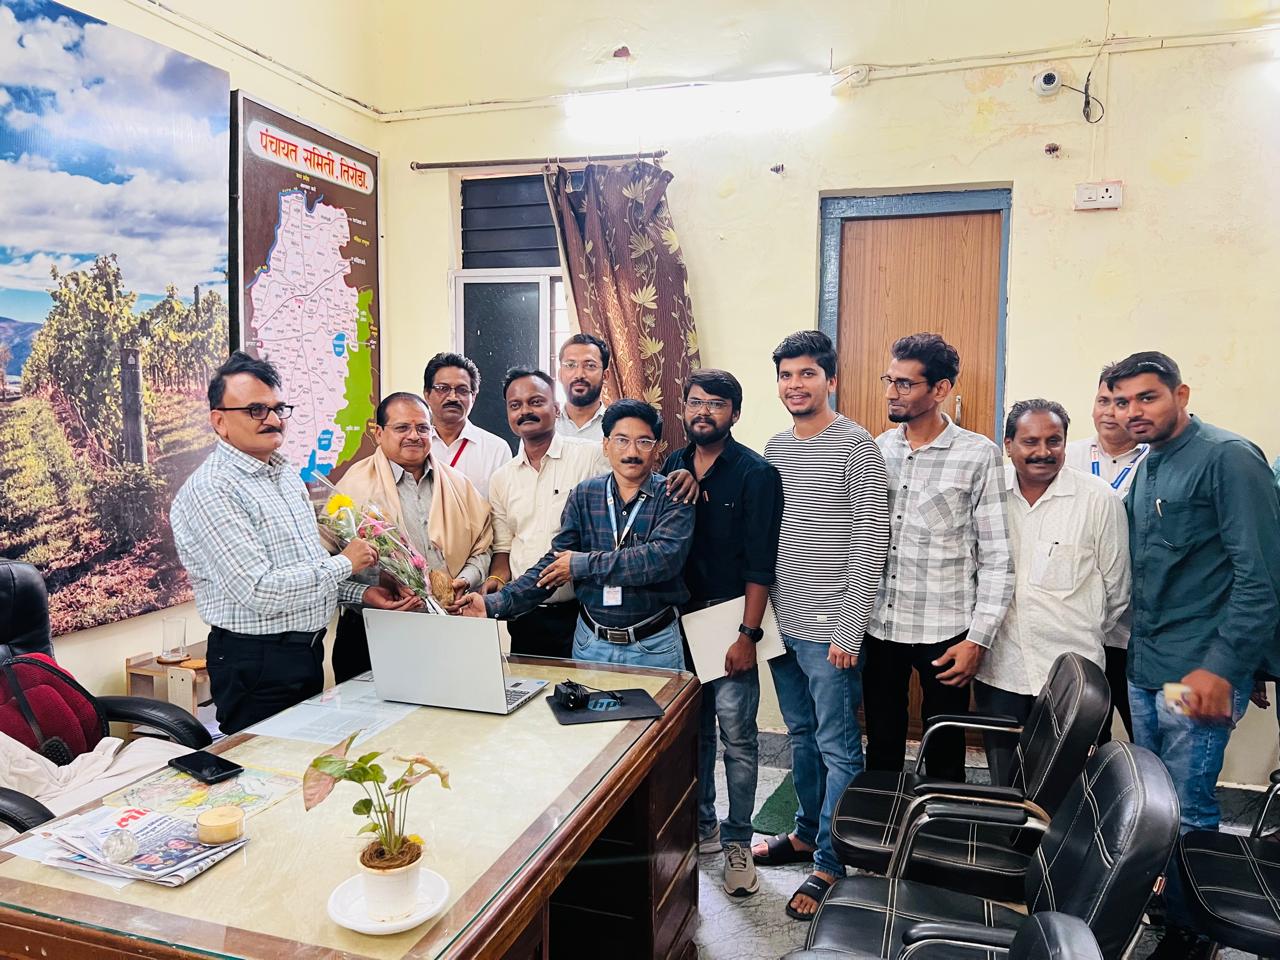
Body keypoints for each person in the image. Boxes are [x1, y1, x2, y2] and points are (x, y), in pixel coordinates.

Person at [1107, 350, 1280, 960]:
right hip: (1147, 666)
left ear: (1181, 395)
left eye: (1146, 397)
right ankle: (1169, 900)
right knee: (1155, 804)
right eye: (1122, 401)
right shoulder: (1150, 462)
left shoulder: (1228, 458)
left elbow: (1260, 578)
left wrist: (1225, 668)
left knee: (1188, 804)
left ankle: (1194, 933)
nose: (1133, 411)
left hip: (1196, 674)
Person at [170, 352, 402, 734]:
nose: (274, 419)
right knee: (263, 765)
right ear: (219, 421)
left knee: (302, 761)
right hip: (257, 663)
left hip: (305, 655)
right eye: (256, 410)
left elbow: (304, 568)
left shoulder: (285, 475)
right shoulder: (213, 490)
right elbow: (260, 590)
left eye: (279, 408)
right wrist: (346, 562)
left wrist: (361, 594)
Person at [748, 330, 889, 921]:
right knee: (801, 735)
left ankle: (832, 861)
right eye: (786, 375)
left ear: (830, 378)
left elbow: (871, 539)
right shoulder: (775, 447)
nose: (795, 385)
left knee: (838, 747)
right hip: (782, 622)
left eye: (807, 373)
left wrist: (848, 629)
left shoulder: (857, 445)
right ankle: (806, 834)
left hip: (831, 627)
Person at [863, 333, 1013, 783]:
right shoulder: (879, 449)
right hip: (882, 625)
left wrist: (978, 640)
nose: (891, 392)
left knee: (945, 750)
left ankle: (942, 823)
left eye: (905, 384)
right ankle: (885, 820)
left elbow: (998, 557)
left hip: (946, 632)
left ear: (941, 389)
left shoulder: (978, 454)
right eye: (889, 380)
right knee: (881, 746)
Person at [663, 369, 783, 898]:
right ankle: (703, 826)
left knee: (737, 738)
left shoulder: (756, 473)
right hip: (676, 622)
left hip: (729, 619)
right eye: (695, 402)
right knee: (693, 735)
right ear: (683, 409)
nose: (703, 412)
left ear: (734, 413)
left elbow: (762, 563)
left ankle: (738, 841)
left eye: (715, 404)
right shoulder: (671, 464)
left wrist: (747, 635)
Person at [460, 399, 693, 671]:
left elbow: (661, 560)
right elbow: (555, 562)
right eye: (621, 440)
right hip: (591, 644)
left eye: (644, 442)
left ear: (657, 447)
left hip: (653, 644)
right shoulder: (585, 494)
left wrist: (581, 564)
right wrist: (493, 604)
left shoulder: (674, 494)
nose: (632, 451)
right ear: (605, 445)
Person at [974, 399, 1130, 784]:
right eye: (1030, 441)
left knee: (1074, 790)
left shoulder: (1098, 500)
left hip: (1075, 680)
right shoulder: (987, 496)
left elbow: (1117, 589)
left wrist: (1080, 630)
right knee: (1007, 787)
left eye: (1054, 441)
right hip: (1000, 671)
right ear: (1008, 444)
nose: (1043, 452)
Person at [326, 391, 494, 681]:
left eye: (423, 428)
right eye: (402, 427)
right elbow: (327, 564)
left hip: (447, 628)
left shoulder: (458, 485)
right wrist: (373, 587)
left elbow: (483, 547)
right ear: (379, 433)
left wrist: (465, 580)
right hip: (371, 631)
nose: (414, 436)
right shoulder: (352, 488)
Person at [484, 368, 609, 658]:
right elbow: (503, 548)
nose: (525, 411)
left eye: (536, 402)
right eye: (515, 405)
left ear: (556, 408)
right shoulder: (502, 478)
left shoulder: (591, 456)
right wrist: (497, 581)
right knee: (529, 687)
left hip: (582, 614)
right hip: (525, 617)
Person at [1065, 364, 1150, 741]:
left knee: (1144, 735)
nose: (1110, 412)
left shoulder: (1154, 460)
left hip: (1136, 631)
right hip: (1080, 627)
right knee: (1082, 735)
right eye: (1103, 401)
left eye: (1120, 403)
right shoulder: (1066, 456)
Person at [423, 352, 511, 498]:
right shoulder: (414, 444)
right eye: (443, 388)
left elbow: (501, 507)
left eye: (462, 390)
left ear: (473, 397)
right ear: (427, 394)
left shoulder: (496, 449)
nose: (452, 397)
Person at [556, 332, 610, 440]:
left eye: (590, 365)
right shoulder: (544, 426)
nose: (579, 375)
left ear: (605, 376)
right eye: (570, 365)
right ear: (560, 375)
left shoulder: (617, 427)